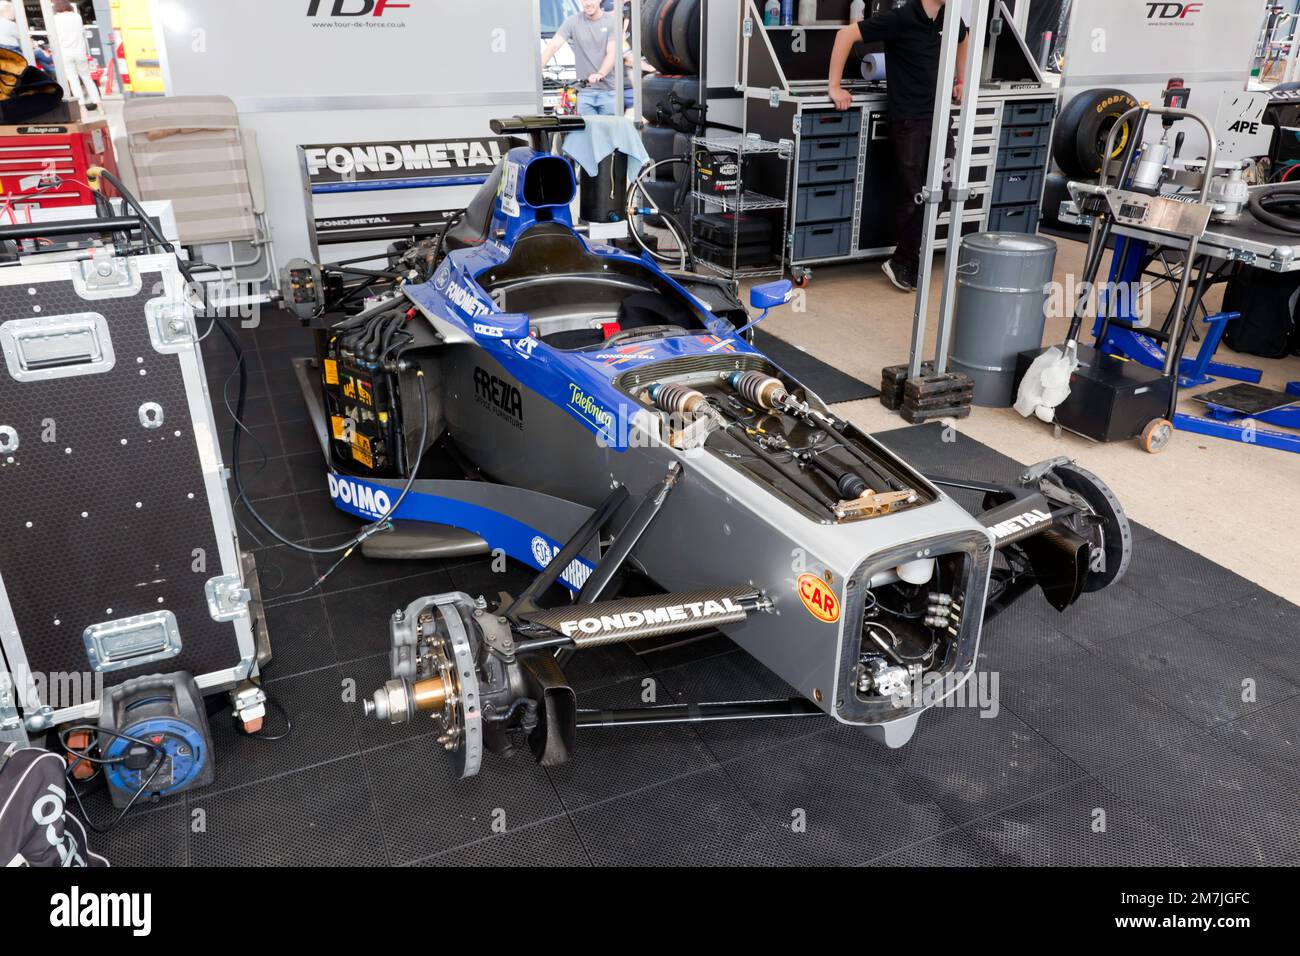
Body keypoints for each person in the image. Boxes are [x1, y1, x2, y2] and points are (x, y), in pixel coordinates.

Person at [828, 0, 967, 292]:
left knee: (944, 189)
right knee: (914, 195)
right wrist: (835, 86)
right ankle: (905, 262)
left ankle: (902, 259)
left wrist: (960, 80)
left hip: (940, 117)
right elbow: (846, 35)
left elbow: (964, 38)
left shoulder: (949, 18)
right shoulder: (902, 17)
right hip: (908, 122)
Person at [542, 0, 622, 116]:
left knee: (608, 132)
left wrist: (600, 73)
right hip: (585, 92)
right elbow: (553, 45)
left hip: (609, 92)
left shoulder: (611, 22)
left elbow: (612, 53)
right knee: (586, 132)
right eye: (584, 0)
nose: (588, 3)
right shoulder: (573, 22)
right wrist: (538, 67)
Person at [51, 0, 99, 109]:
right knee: (87, 78)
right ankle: (99, 105)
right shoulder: (77, 17)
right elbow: (82, 33)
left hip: (65, 53)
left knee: (73, 81)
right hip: (80, 52)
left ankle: (81, 108)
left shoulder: (55, 19)